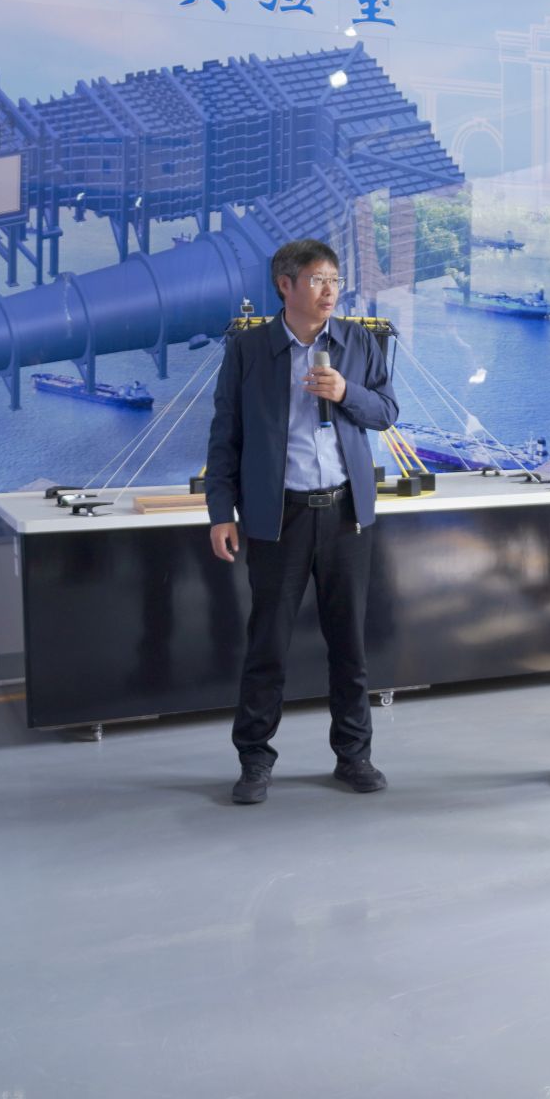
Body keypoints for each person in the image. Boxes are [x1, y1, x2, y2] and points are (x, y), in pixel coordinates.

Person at [205, 239, 400, 805]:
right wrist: (220, 512)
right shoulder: (249, 349)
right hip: (278, 517)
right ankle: (254, 760)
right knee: (267, 645)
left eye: (335, 280)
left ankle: (354, 755)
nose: (330, 290)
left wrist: (346, 392)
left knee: (349, 645)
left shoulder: (357, 342)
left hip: (344, 514)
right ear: (285, 285)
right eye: (317, 280)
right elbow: (225, 435)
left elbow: (386, 412)